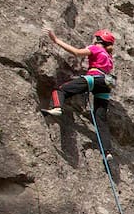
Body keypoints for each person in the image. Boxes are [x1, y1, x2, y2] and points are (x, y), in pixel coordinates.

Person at [42, 28, 116, 161]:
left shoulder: (96, 48)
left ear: (98, 39)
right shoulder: (109, 57)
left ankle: (57, 107)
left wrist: (56, 40)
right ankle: (107, 151)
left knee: (60, 90)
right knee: (100, 119)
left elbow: (77, 53)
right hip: (105, 84)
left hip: (94, 78)